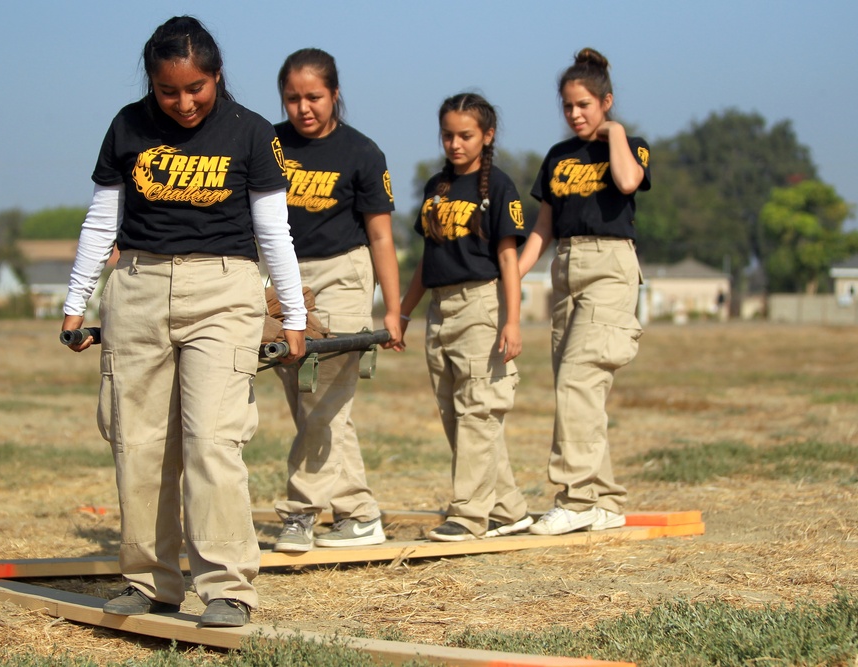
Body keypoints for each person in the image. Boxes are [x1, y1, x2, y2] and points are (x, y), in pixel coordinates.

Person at [60, 16, 307, 627]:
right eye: (169, 91)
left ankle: (226, 584)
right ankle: (149, 581)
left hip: (224, 289)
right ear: (151, 84)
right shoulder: (127, 125)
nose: (184, 102)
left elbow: (273, 230)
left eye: (196, 88)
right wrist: (76, 301)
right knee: (137, 441)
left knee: (212, 439)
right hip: (138, 289)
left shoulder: (250, 132)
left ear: (216, 77)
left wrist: (294, 312)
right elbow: (101, 221)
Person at [270, 48, 402, 552]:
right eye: (292, 98)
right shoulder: (271, 145)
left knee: (325, 398)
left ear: (335, 94)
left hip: (345, 272)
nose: (304, 108)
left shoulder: (362, 153)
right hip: (286, 277)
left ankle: (300, 510)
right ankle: (360, 513)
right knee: (309, 402)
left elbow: (382, 237)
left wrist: (391, 309)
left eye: (314, 97)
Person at [518, 48, 651, 536]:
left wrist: (613, 131)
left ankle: (575, 499)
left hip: (611, 268)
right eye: (568, 107)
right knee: (578, 392)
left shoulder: (629, 144)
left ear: (606, 101)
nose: (575, 114)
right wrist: (510, 275)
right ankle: (605, 501)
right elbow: (542, 230)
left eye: (585, 106)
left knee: (578, 381)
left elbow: (627, 180)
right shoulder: (557, 158)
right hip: (565, 270)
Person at [397, 93, 532, 542]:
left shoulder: (499, 189)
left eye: (465, 136)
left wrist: (512, 321)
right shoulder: (437, 186)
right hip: (440, 310)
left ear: (487, 136)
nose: (455, 144)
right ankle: (509, 509)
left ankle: (470, 515)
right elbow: (425, 258)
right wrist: (402, 312)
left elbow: (509, 260)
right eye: (448, 135)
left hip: (481, 306)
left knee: (479, 409)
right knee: (461, 416)